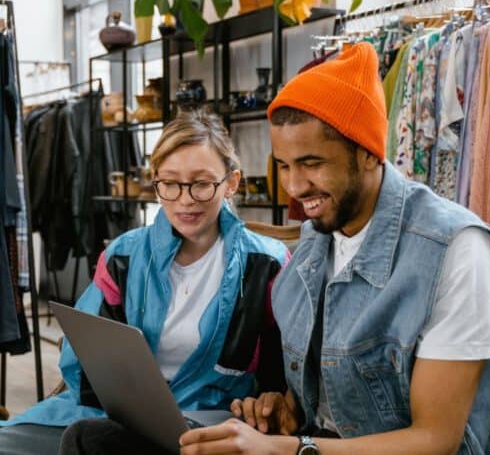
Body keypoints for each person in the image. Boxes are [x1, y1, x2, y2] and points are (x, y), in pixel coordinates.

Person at [178, 42, 490, 454]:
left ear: (367, 153)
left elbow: (434, 440)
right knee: (103, 438)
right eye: (283, 165)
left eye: (312, 164)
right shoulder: (316, 239)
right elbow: (326, 395)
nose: (294, 187)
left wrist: (290, 449)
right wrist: (286, 412)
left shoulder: (456, 252)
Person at [1, 110, 289, 453]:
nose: (185, 199)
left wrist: (270, 402)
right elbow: (86, 359)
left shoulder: (267, 264)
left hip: (210, 424)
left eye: (201, 183)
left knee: (85, 443)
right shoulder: (124, 256)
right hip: (113, 416)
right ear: (155, 182)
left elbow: (283, 375)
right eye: (169, 183)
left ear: (231, 183)